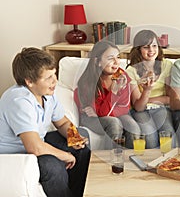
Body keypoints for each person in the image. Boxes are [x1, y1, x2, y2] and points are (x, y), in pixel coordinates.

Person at [0, 47, 91, 197]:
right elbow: (35, 148)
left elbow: (62, 123)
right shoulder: (19, 101)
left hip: (35, 143)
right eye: (48, 77)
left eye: (54, 74)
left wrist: (75, 138)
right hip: (15, 155)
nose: (55, 81)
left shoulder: (47, 94)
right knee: (52, 166)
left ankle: (78, 193)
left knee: (80, 144)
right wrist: (66, 155)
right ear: (29, 81)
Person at [74, 40, 141, 149]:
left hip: (110, 113)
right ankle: (112, 161)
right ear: (97, 61)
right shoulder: (88, 83)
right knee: (114, 123)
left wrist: (101, 112)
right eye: (110, 58)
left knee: (133, 127)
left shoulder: (122, 76)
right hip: (90, 119)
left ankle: (131, 161)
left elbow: (125, 107)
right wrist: (113, 92)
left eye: (118, 57)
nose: (116, 62)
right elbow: (102, 112)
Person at [126, 29, 175, 148]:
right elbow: (138, 106)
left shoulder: (167, 65)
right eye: (146, 47)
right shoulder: (131, 71)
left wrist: (148, 99)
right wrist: (147, 90)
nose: (151, 50)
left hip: (161, 108)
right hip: (141, 111)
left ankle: (168, 164)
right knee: (150, 136)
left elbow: (170, 99)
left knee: (168, 135)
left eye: (154, 46)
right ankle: (149, 165)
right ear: (138, 50)